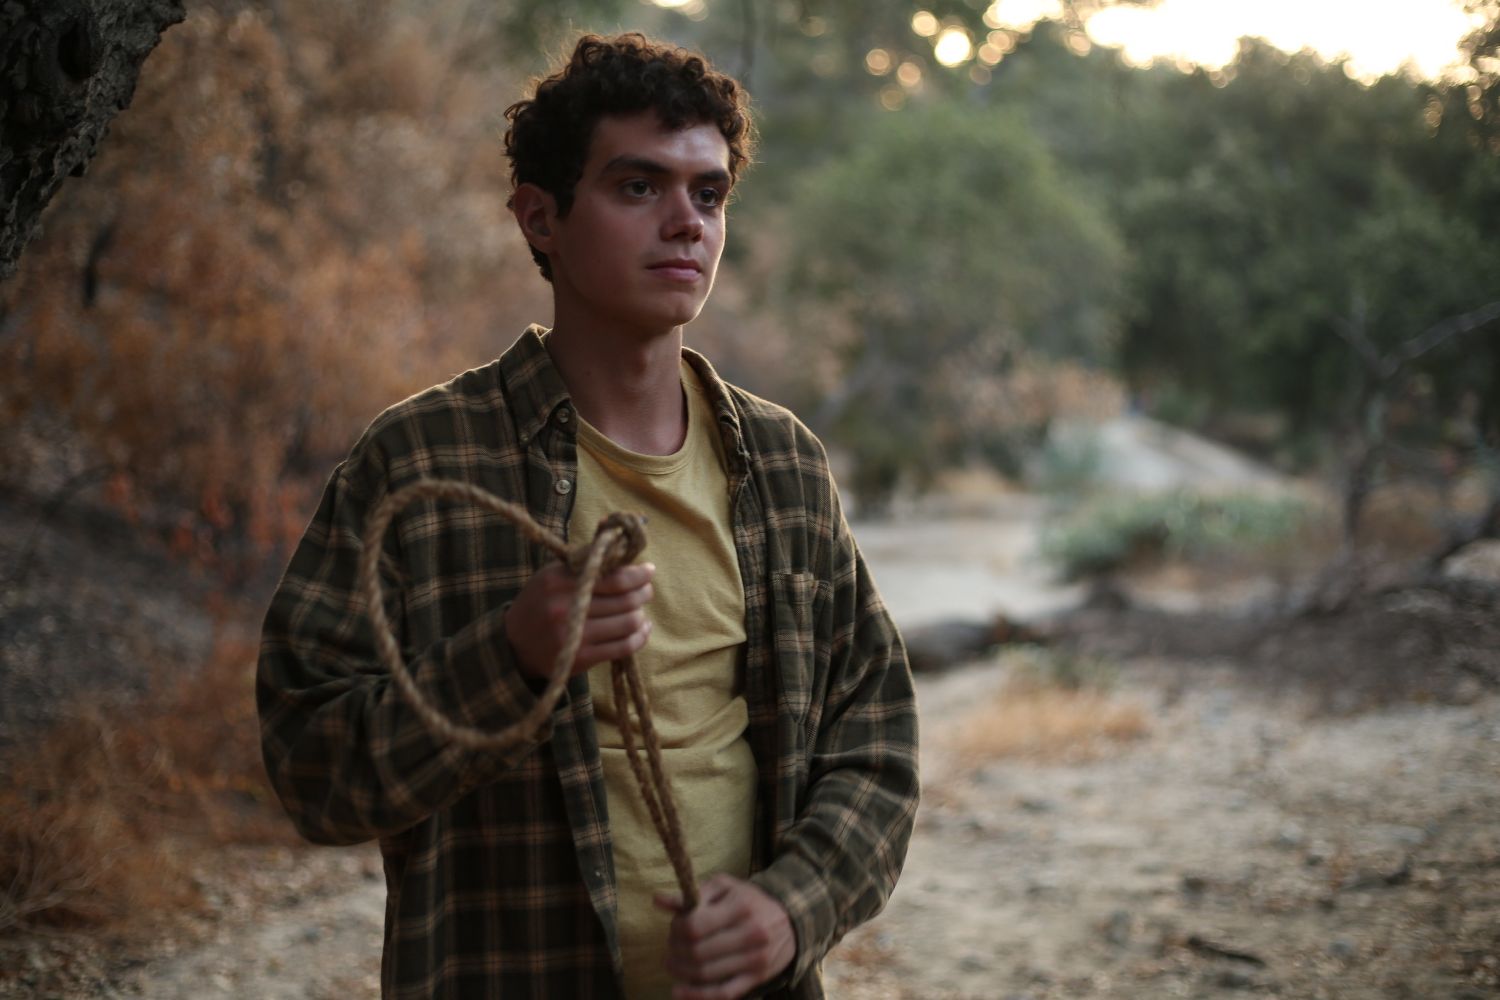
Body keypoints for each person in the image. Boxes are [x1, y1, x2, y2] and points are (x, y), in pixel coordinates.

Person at [257, 32, 919, 1000]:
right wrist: (509, 658)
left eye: (709, 194)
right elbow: (311, 770)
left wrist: (791, 908)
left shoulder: (782, 464)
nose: (686, 223)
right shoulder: (422, 462)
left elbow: (877, 740)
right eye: (638, 186)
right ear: (541, 218)